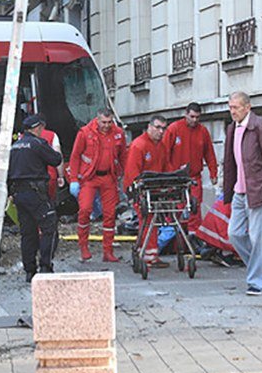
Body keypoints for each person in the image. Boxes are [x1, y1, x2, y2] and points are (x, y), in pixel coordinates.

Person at [223, 91, 262, 296]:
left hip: (257, 189)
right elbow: (230, 161)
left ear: (247, 107)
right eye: (230, 107)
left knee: (258, 236)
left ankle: (259, 282)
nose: (232, 111)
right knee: (235, 233)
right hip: (239, 190)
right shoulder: (233, 127)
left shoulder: (259, 126)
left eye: (236, 107)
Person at [68, 108, 128, 263]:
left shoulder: (118, 133)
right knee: (85, 209)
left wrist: (125, 176)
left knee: (109, 214)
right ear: (97, 119)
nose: (106, 125)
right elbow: (74, 156)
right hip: (89, 177)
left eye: (109, 122)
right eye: (103, 122)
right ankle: (84, 248)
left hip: (109, 177)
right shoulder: (85, 133)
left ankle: (108, 252)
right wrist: (74, 179)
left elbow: (123, 156)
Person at [8, 114, 63, 282]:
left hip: (19, 194)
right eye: (41, 128)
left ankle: (29, 270)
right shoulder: (37, 144)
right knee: (49, 227)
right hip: (36, 193)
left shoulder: (15, 146)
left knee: (28, 233)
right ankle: (45, 266)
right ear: (37, 128)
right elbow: (56, 159)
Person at [162, 102, 218, 235]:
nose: (194, 120)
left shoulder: (202, 131)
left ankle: (194, 237)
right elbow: (164, 154)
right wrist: (167, 175)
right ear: (185, 114)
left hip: (194, 177)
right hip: (176, 179)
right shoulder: (173, 129)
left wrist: (213, 173)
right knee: (176, 208)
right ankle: (172, 237)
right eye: (192, 116)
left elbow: (209, 153)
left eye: (197, 117)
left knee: (195, 208)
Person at [125, 115, 169, 268]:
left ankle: (148, 253)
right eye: (158, 127)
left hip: (154, 189)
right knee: (147, 220)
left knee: (152, 221)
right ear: (150, 127)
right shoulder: (139, 145)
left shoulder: (161, 146)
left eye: (163, 128)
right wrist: (137, 192)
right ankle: (148, 255)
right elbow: (132, 172)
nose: (161, 131)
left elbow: (165, 169)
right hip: (140, 190)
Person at [37, 114, 66, 202]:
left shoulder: (22, 138)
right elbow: (58, 155)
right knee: (50, 204)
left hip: (29, 181)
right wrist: (61, 176)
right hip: (49, 178)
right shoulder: (52, 135)